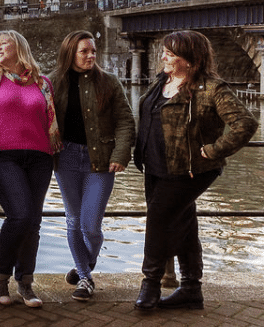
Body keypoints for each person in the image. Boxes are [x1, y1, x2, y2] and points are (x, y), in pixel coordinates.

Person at [133, 30, 257, 311]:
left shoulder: (211, 88)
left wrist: (214, 150)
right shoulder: (161, 81)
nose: (163, 56)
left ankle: (150, 284)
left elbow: (245, 124)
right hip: (154, 166)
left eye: (171, 54)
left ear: (190, 60)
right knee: (184, 222)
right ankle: (191, 289)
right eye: (164, 51)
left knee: (158, 219)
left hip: (189, 170)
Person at [0, 30, 61, 308]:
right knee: (20, 214)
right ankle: (0, 273)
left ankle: (25, 281)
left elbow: (50, 121)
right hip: (3, 157)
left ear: (19, 46)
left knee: (33, 221)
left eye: (3, 43)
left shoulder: (43, 83)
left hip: (39, 157)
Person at [49, 31, 135, 301]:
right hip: (66, 158)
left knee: (91, 226)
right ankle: (86, 278)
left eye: (93, 51)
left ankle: (85, 264)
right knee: (73, 220)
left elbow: (124, 120)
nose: (90, 56)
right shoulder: (53, 82)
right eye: (84, 51)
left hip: (100, 160)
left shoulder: (108, 83)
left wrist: (121, 154)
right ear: (70, 53)